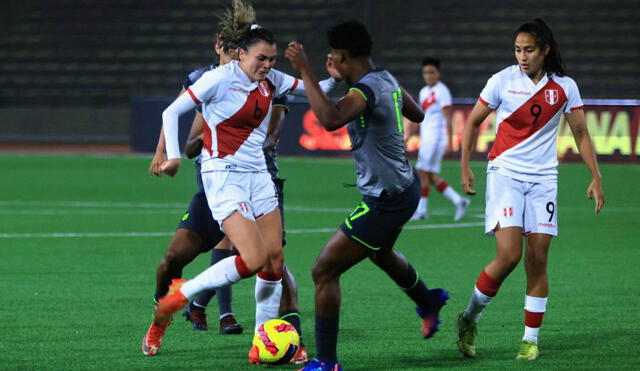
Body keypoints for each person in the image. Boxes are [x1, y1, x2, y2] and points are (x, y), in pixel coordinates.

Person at [149, 23, 332, 362]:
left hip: (259, 176)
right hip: (223, 175)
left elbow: (313, 90)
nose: (266, 65)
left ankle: (260, 345)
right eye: (260, 58)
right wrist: (173, 155)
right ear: (240, 54)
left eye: (272, 59)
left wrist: (334, 76)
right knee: (253, 259)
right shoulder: (220, 78)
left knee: (274, 262)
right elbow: (171, 111)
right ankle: (180, 294)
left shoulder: (271, 80)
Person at [285, 21, 450, 371]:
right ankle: (428, 300)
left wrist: (305, 71)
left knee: (324, 270)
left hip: (386, 198)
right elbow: (417, 113)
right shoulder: (385, 79)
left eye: (335, 58)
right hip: (404, 188)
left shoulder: (366, 91)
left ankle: (326, 363)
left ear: (342, 56)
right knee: (381, 253)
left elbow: (330, 118)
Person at [456, 18, 604, 361]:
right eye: (518, 50)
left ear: (545, 50)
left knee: (538, 259)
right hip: (505, 172)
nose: (522, 56)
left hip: (544, 179)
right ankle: (469, 318)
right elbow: (474, 122)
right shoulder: (502, 81)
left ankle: (530, 340)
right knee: (509, 256)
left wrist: (595, 176)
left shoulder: (565, 87)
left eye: (529, 50)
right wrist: (464, 164)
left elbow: (581, 134)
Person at [409, 57, 469, 221]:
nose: (428, 76)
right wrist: (414, 130)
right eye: (425, 73)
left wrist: (450, 141)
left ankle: (421, 211)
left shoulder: (442, 91)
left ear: (438, 73)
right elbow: (423, 115)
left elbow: (448, 118)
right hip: (427, 137)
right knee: (429, 176)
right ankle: (459, 200)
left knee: (422, 173)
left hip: (436, 138)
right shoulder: (423, 92)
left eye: (431, 72)